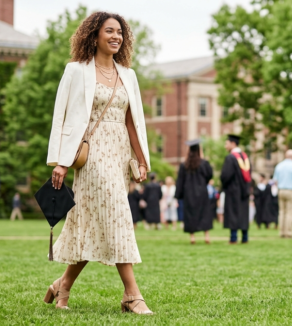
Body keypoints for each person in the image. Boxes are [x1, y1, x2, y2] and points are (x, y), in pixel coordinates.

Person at [44, 12, 153, 314]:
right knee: (118, 213)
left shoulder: (128, 74)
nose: (116, 36)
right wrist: (61, 162)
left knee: (93, 222)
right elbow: (61, 117)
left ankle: (62, 286)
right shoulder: (76, 70)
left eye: (120, 32)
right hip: (90, 153)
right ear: (94, 36)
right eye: (109, 31)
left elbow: (133, 121)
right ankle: (132, 294)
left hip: (118, 152)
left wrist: (141, 159)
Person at [174, 139, 214, 244]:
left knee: (190, 214)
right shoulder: (204, 163)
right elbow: (209, 175)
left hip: (189, 194)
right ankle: (206, 236)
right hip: (202, 193)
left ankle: (192, 237)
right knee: (204, 213)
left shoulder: (184, 164)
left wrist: (177, 196)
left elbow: (180, 181)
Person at [221, 134, 252, 244]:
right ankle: (245, 237)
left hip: (233, 191)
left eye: (226, 143)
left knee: (233, 213)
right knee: (243, 213)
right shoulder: (246, 157)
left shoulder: (231, 158)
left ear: (233, 143)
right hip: (245, 191)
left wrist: (223, 186)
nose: (225, 146)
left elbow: (225, 176)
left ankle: (233, 238)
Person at [273, 149, 292, 238]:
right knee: (290, 212)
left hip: (281, 190)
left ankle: (282, 232)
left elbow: (275, 181)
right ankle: (288, 232)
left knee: (282, 212)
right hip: (291, 191)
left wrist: (279, 189)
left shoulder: (279, 166)